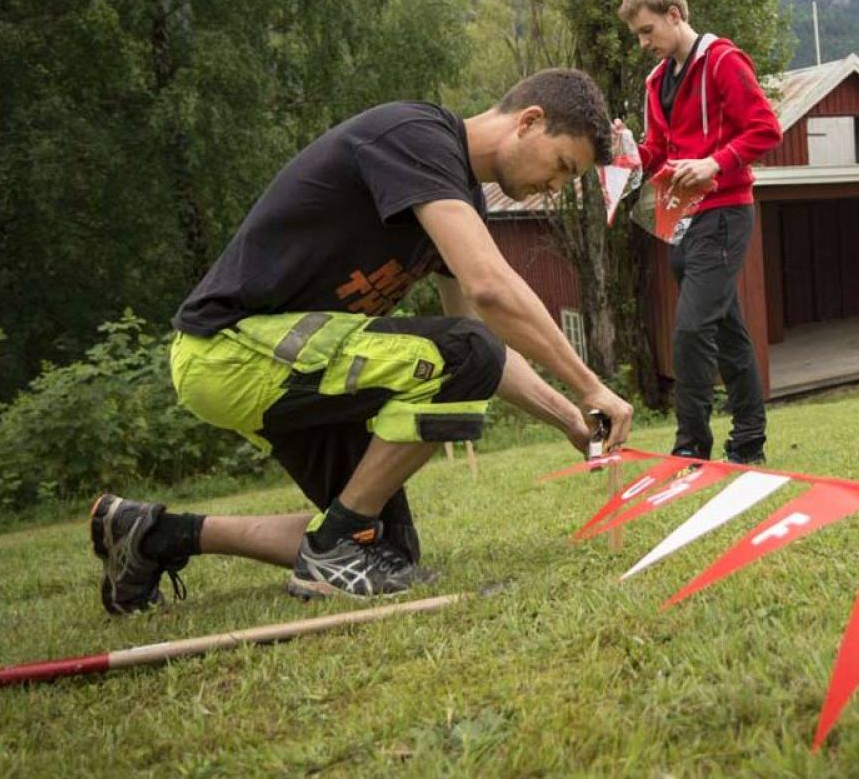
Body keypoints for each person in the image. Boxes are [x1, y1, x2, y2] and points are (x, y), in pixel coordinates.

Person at [90, 69, 634, 613]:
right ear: (529, 121)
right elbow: (488, 293)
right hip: (228, 352)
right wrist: (590, 386)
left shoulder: (455, 194)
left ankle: (156, 535)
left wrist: (572, 420)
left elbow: (485, 349)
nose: (556, 187)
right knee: (463, 355)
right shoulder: (416, 135)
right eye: (563, 166)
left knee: (387, 551)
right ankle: (332, 548)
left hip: (289, 366)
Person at [618, 0, 781, 465]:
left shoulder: (725, 62)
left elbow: (766, 129)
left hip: (726, 213)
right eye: (638, 36)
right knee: (728, 332)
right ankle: (749, 444)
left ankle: (691, 448)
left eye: (647, 31)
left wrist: (715, 162)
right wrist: (622, 150)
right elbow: (656, 153)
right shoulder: (655, 83)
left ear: (674, 14)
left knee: (690, 330)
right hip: (681, 221)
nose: (644, 44)